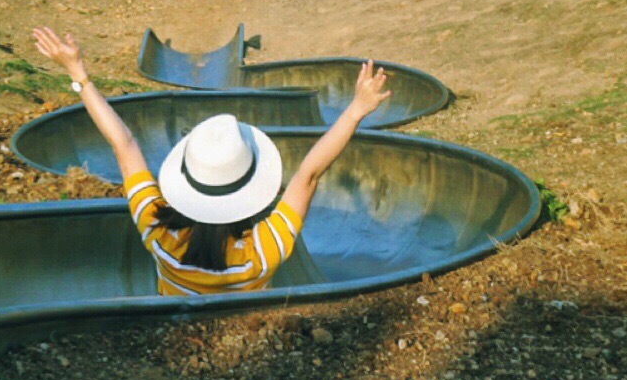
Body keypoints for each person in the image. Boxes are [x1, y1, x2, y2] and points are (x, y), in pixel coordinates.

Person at [33, 26, 392, 296]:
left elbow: (124, 143)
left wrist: (78, 74)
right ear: (249, 185)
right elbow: (309, 174)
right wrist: (356, 110)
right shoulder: (263, 252)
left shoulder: (157, 234)